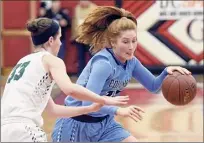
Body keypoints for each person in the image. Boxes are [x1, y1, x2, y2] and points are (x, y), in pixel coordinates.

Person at [51, 6, 191, 142]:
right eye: (125, 42)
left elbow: (154, 86)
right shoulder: (103, 64)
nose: (131, 47)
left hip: (104, 124)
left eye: (134, 41)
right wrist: (119, 111)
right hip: (77, 123)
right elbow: (89, 105)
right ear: (113, 42)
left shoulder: (132, 62)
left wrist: (166, 72)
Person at [1, 17, 129, 142]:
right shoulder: (52, 60)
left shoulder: (23, 62)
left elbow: (53, 110)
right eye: (59, 38)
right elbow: (70, 89)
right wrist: (102, 99)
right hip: (25, 129)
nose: (61, 43)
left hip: (4, 129)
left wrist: (89, 109)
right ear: (51, 40)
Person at [71, 0, 97, 75]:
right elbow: (74, 21)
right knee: (80, 57)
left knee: (92, 56)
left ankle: (94, 74)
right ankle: (81, 75)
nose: (81, 2)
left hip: (90, 38)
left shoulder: (94, 8)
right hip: (79, 37)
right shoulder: (77, 8)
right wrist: (73, 35)